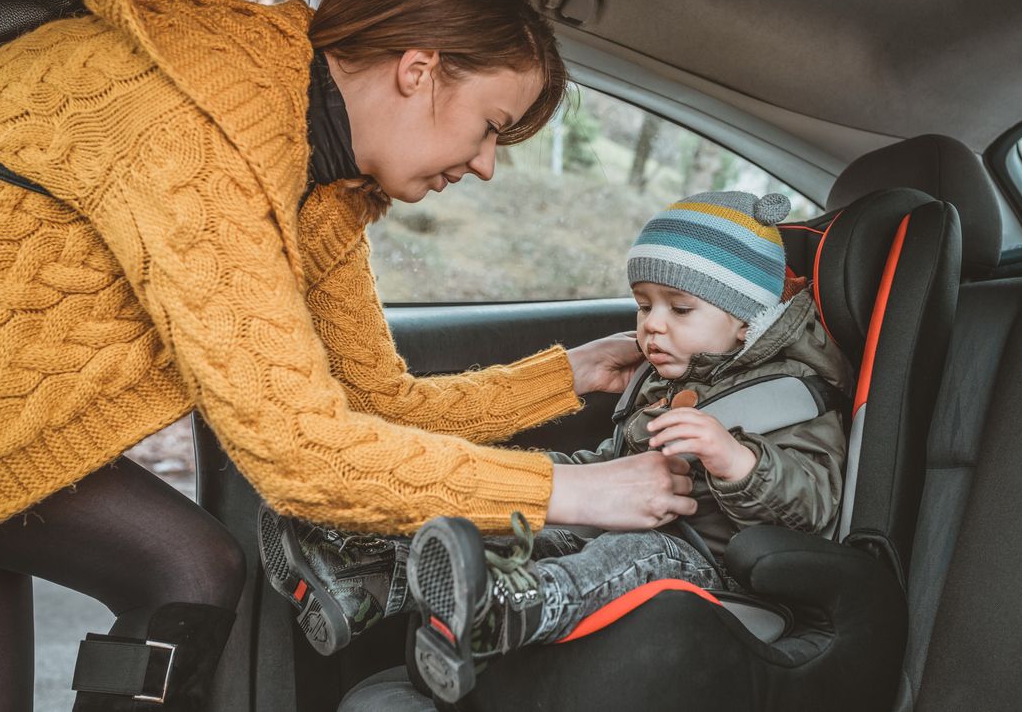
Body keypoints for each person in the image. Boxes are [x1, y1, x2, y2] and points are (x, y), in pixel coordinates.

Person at [0, 0, 696, 711]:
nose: (487, 164)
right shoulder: (200, 126)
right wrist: (575, 492)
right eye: (491, 125)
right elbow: (300, 452)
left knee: (177, 566)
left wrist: (568, 375)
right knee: (189, 566)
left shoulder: (322, 183)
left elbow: (376, 404)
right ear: (419, 70)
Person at [260, 190, 852, 703]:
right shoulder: (668, 378)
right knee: (529, 519)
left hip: (711, 565)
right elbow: (611, 466)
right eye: (644, 305)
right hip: (630, 526)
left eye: (680, 308)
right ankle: (370, 576)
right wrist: (550, 477)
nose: (653, 325)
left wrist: (737, 463)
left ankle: (499, 612)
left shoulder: (793, 395)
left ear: (747, 319)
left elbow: (813, 506)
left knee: (633, 555)